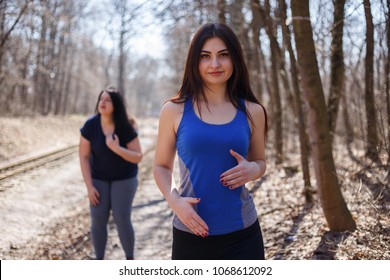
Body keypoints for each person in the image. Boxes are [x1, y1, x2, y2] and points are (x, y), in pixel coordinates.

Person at [153, 23, 268, 260]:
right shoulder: (173, 110)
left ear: (234, 59)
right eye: (205, 56)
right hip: (191, 232)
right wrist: (175, 202)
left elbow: (260, 162)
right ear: (195, 62)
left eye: (223, 55)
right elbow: (161, 166)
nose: (214, 64)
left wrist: (253, 169)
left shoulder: (253, 111)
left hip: (243, 235)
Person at [79, 86, 142, 260]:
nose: (103, 103)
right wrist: (89, 186)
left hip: (124, 178)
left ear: (116, 105)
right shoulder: (91, 125)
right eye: (101, 99)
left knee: (121, 217)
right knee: (98, 219)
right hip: (99, 178)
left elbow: (138, 156)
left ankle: (130, 259)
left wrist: (116, 148)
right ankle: (99, 261)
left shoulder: (125, 126)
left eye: (108, 100)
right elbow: (83, 157)